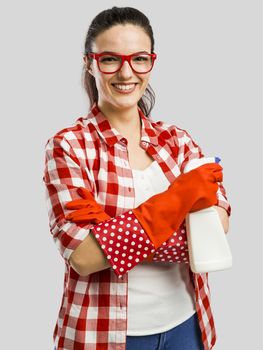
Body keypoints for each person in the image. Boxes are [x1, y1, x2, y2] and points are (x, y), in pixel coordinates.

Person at [43, 6, 231, 350]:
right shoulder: (69, 146)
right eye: (110, 59)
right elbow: (84, 257)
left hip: (188, 326)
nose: (126, 72)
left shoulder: (179, 141)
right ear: (90, 62)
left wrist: (111, 235)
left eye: (140, 58)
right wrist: (180, 200)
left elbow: (216, 228)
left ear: (151, 63)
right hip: (103, 333)